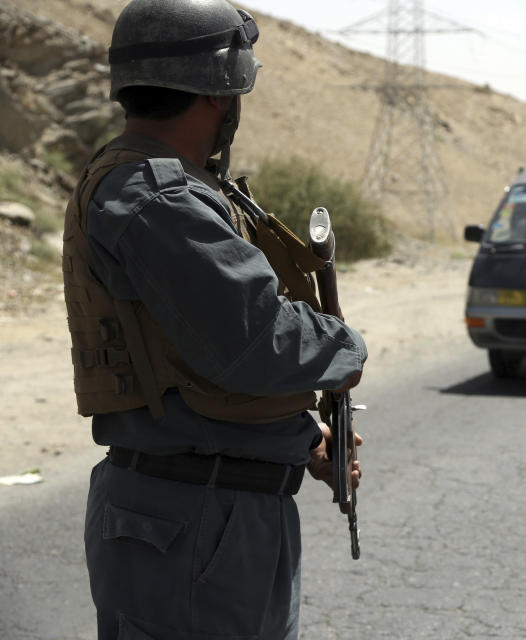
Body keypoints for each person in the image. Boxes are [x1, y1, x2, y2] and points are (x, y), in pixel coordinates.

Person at [61, 1, 367, 638]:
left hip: (204, 506)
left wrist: (296, 439)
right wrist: (345, 346)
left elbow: (192, 351)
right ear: (219, 94)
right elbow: (259, 341)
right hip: (197, 517)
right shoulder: (158, 196)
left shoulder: (168, 186)